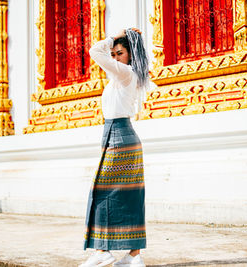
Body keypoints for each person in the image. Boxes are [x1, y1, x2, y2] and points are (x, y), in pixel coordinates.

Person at [79, 28, 149, 267]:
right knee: (129, 195)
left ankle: (102, 251)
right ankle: (133, 256)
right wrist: (116, 42)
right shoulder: (122, 76)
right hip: (117, 136)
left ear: (130, 55)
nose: (115, 57)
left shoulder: (126, 73)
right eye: (114, 54)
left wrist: (116, 35)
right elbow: (101, 54)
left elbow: (93, 51)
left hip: (120, 137)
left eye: (120, 53)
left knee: (101, 192)